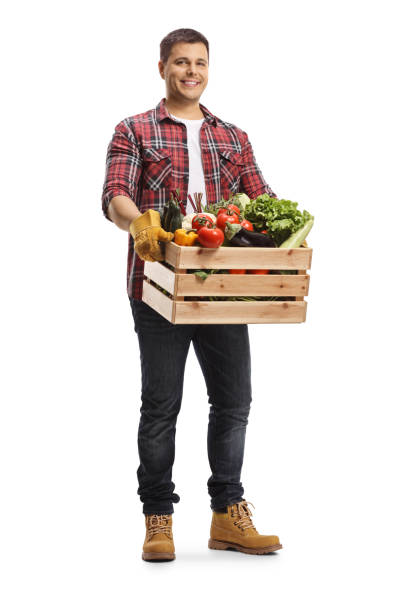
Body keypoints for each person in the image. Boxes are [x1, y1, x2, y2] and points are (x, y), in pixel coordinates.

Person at [101, 28, 282, 562]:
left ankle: (228, 514)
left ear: (209, 69)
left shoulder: (232, 136)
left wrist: (284, 229)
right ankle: (159, 517)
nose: (191, 73)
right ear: (162, 68)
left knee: (233, 402)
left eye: (200, 63)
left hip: (223, 289)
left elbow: (262, 197)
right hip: (158, 286)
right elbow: (115, 196)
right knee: (161, 405)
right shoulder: (134, 130)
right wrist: (140, 225)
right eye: (181, 63)